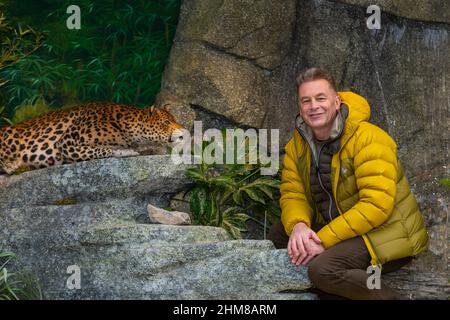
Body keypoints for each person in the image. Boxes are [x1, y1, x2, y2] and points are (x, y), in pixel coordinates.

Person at [268, 67, 428, 300]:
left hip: (386, 232)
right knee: (279, 237)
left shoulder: (369, 138)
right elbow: (293, 192)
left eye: (321, 98)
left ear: (336, 101)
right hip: (341, 225)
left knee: (322, 269)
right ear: (300, 107)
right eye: (306, 101)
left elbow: (376, 206)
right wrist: (299, 226)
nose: (314, 106)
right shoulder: (298, 143)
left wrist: (322, 240)